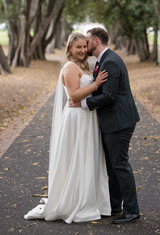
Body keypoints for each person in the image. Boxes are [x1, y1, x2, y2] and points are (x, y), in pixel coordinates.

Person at [24, 32, 111, 224]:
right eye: (77, 47)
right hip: (77, 119)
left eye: (83, 46)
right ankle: (76, 201)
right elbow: (74, 95)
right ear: (70, 48)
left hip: (87, 117)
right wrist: (96, 84)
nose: (82, 50)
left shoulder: (84, 65)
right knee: (78, 157)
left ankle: (93, 200)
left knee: (88, 157)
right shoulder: (70, 67)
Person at [70, 27, 140, 224]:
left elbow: (109, 97)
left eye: (88, 42)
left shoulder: (110, 62)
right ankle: (115, 206)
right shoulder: (104, 60)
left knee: (120, 166)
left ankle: (132, 211)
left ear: (96, 42)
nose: (85, 46)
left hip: (119, 122)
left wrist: (82, 103)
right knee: (112, 167)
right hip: (113, 121)